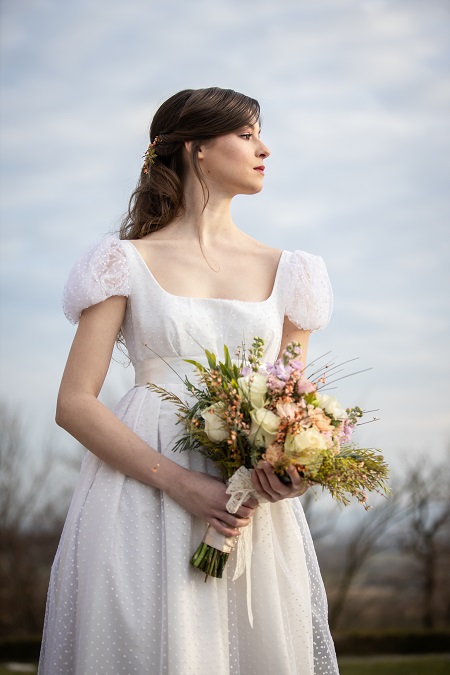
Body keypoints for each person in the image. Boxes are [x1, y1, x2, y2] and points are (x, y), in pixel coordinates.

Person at [38, 87, 338, 675]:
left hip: (247, 509)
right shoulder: (121, 262)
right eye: (248, 134)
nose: (265, 149)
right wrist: (179, 484)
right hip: (140, 494)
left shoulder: (294, 273)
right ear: (196, 148)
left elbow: (291, 402)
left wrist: (289, 468)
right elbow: (74, 402)